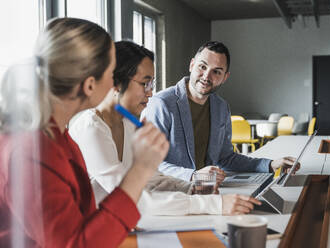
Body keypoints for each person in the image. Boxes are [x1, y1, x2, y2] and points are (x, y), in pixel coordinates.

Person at [0, 18, 168, 247]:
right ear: (89, 85)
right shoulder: (32, 151)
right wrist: (141, 169)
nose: (114, 84)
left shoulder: (59, 137)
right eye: (111, 74)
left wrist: (111, 220)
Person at [69, 40, 262, 216]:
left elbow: (147, 175)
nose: (151, 92)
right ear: (116, 82)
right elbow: (129, 197)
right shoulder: (90, 128)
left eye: (152, 83)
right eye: (145, 83)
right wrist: (213, 204)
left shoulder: (127, 122)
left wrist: (190, 188)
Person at [142, 41, 298, 182]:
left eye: (216, 72)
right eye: (202, 67)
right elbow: (148, 163)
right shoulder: (161, 104)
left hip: (207, 189)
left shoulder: (221, 107)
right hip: (170, 192)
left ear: (225, 77)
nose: (206, 76)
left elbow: (226, 158)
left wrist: (270, 165)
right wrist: (193, 176)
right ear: (192, 65)